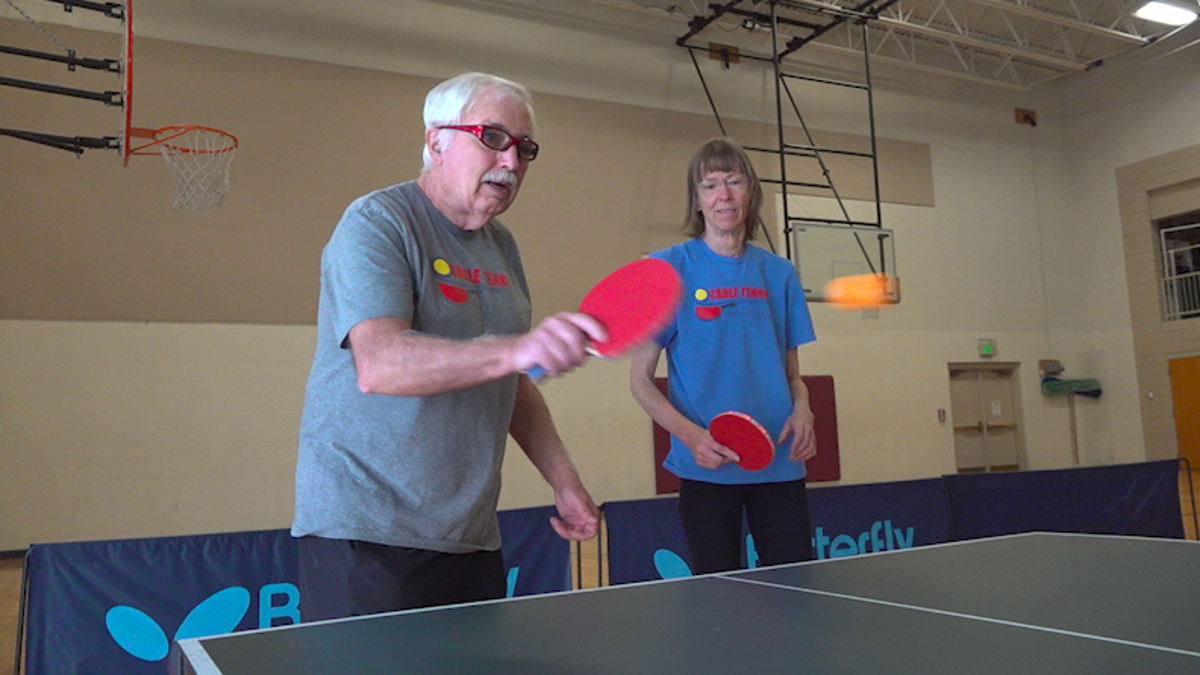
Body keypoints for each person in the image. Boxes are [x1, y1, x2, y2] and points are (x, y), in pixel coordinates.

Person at [292, 72, 604, 620]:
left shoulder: (501, 248)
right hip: (369, 537)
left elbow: (509, 379)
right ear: (436, 140)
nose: (510, 162)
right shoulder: (378, 222)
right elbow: (380, 364)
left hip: (471, 538)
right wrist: (516, 350)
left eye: (524, 148)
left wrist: (563, 479)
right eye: (492, 137)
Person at [629, 137, 818, 575]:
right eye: (710, 185)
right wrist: (692, 436)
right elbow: (640, 381)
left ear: (750, 192)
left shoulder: (780, 274)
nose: (724, 195)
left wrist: (804, 411)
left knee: (796, 596)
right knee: (718, 599)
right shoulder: (667, 269)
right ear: (696, 199)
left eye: (733, 181)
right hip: (706, 469)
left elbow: (793, 377)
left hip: (780, 465)